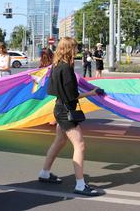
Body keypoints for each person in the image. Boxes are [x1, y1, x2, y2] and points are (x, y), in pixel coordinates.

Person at [38, 37, 101, 196]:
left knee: (59, 141)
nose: (77, 50)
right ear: (68, 49)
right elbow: (72, 95)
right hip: (66, 112)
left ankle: (45, 173)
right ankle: (80, 185)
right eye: (75, 48)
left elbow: (53, 90)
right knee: (80, 145)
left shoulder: (56, 65)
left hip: (59, 108)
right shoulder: (66, 68)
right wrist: (92, 92)